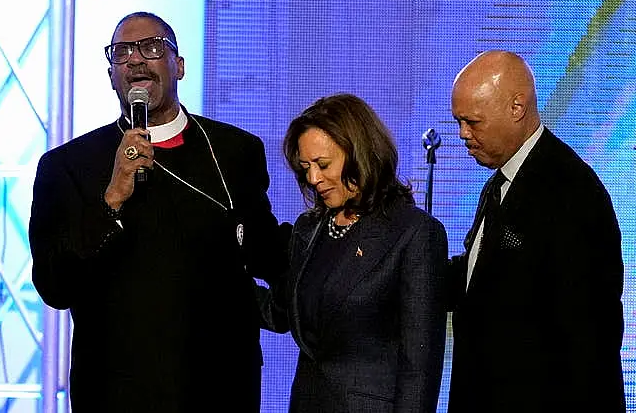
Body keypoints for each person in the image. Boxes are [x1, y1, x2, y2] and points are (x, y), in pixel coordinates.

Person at [29, 12, 287, 412]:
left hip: (220, 390)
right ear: (112, 74)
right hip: (117, 394)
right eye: (121, 53)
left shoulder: (237, 151)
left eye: (152, 47)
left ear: (178, 66)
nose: (135, 60)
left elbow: (264, 252)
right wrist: (112, 196)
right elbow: (54, 285)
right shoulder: (68, 166)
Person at [447, 49, 626, 412]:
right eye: (458, 121)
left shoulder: (570, 191)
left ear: (517, 107)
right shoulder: (502, 182)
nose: (463, 134)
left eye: (473, 122)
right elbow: (480, 280)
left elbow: (587, 338)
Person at [259, 93, 448, 412]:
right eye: (305, 167)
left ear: (359, 153)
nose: (313, 179)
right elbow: (280, 311)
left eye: (322, 165)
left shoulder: (414, 233)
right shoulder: (310, 228)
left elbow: (420, 369)